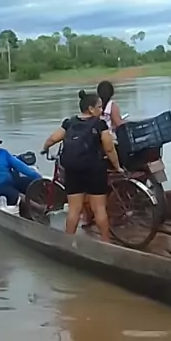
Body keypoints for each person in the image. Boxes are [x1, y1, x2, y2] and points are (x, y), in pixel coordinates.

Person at [41, 90, 121, 243]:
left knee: (74, 209)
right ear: (90, 109)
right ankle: (106, 243)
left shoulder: (70, 122)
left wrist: (45, 148)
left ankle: (68, 242)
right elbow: (109, 148)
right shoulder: (100, 124)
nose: (101, 110)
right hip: (94, 170)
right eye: (99, 107)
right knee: (99, 209)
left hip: (73, 170)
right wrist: (117, 167)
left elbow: (52, 139)